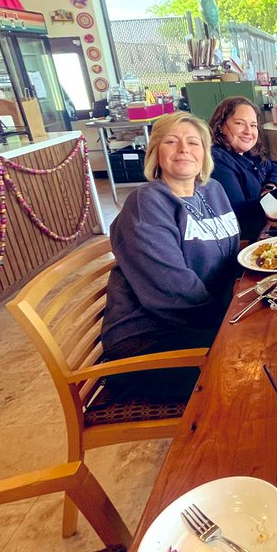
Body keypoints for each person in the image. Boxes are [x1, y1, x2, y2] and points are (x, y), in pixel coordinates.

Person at [101, 112, 240, 399]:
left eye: (193, 142)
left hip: (203, 323)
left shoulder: (212, 190)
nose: (184, 150)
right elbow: (173, 291)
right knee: (251, 364)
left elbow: (230, 259)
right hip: (149, 343)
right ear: (155, 152)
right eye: (171, 142)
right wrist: (234, 317)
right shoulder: (146, 203)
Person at [209, 97, 277, 240]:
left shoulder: (249, 153)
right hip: (251, 243)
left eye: (253, 125)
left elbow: (276, 169)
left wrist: (269, 188)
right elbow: (240, 214)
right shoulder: (217, 161)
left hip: (269, 226)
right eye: (239, 123)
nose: (248, 131)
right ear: (220, 125)